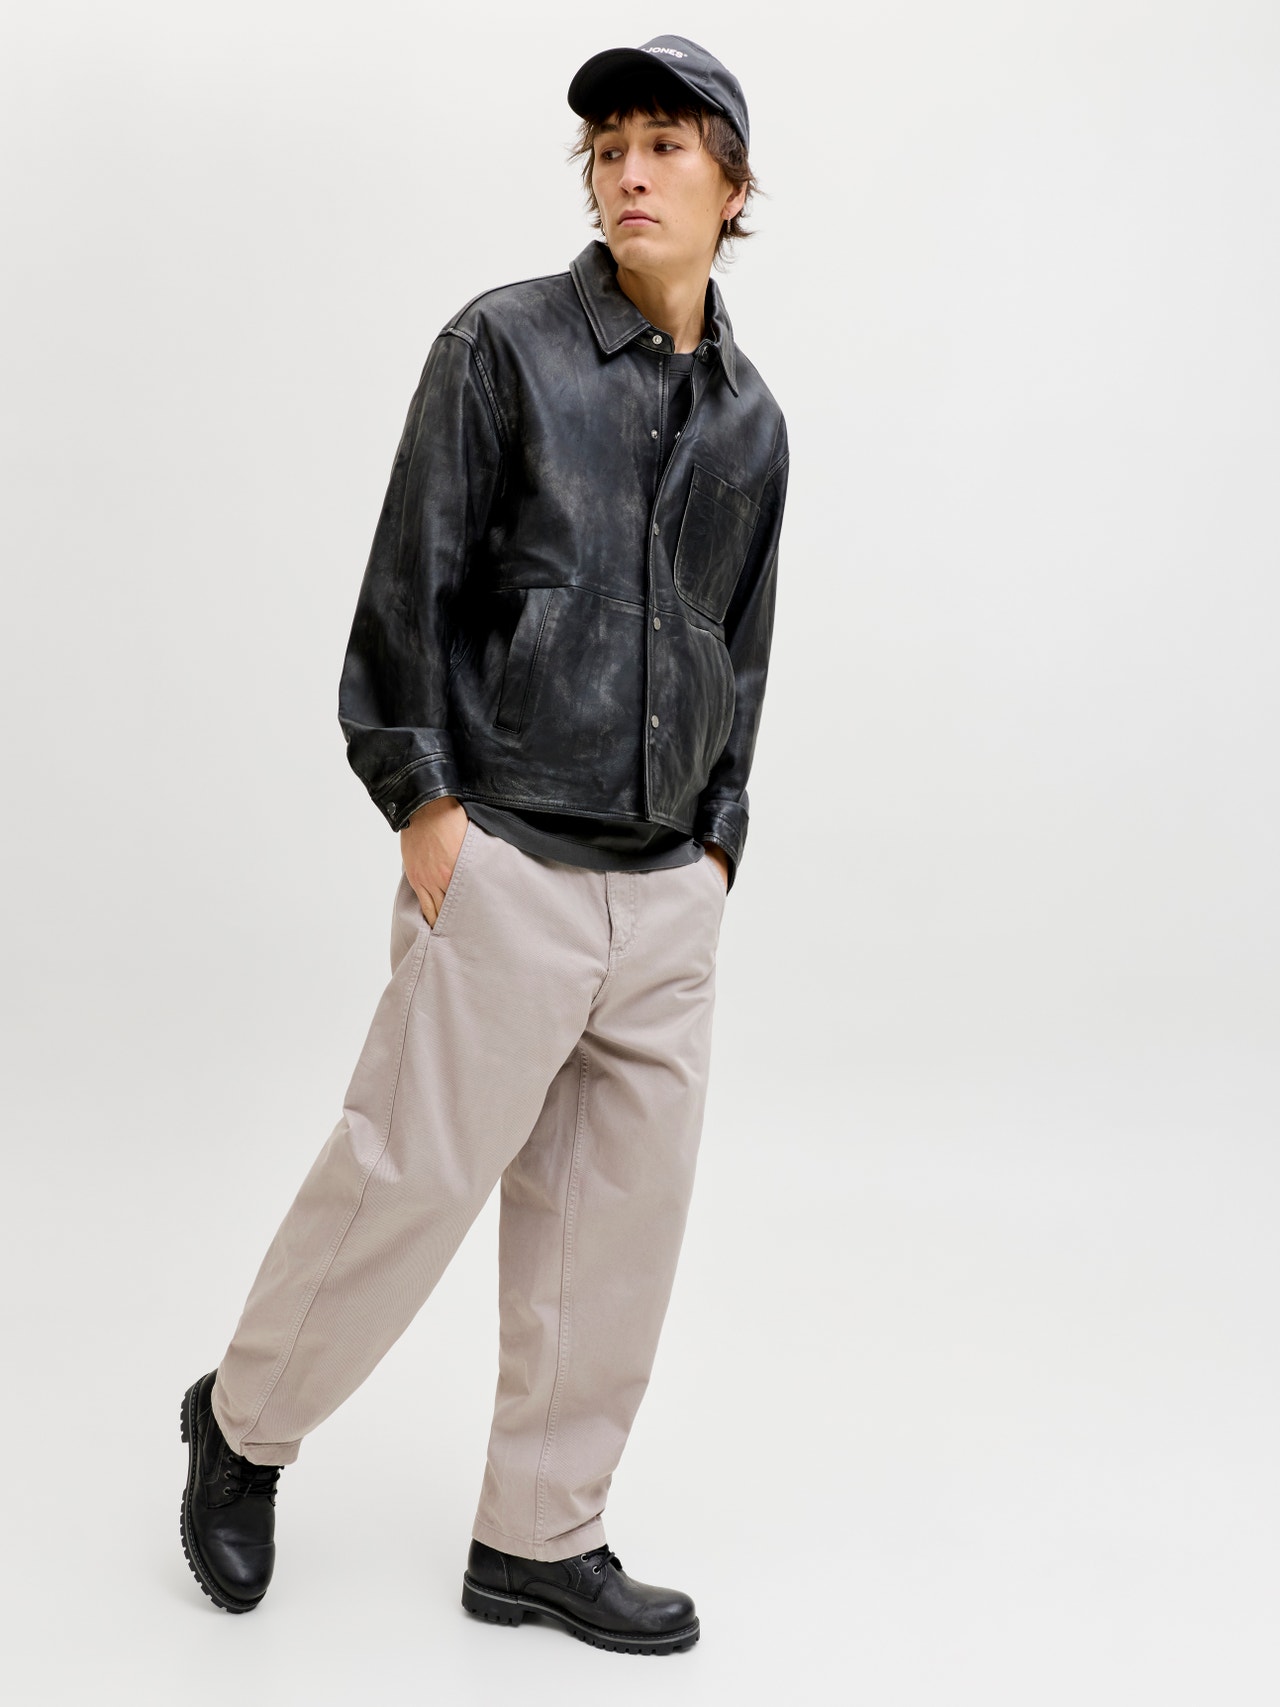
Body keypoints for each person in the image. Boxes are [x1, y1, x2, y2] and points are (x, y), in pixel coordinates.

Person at [178, 33, 789, 1656]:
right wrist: (428, 811)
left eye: (666, 145)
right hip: (506, 856)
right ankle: (240, 1426)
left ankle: (538, 1538)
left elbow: (741, 652)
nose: (631, 172)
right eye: (609, 147)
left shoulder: (754, 427)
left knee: (616, 1240)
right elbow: (410, 589)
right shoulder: (502, 347)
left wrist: (718, 848)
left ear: (736, 187)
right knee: (404, 1186)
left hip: (665, 895)